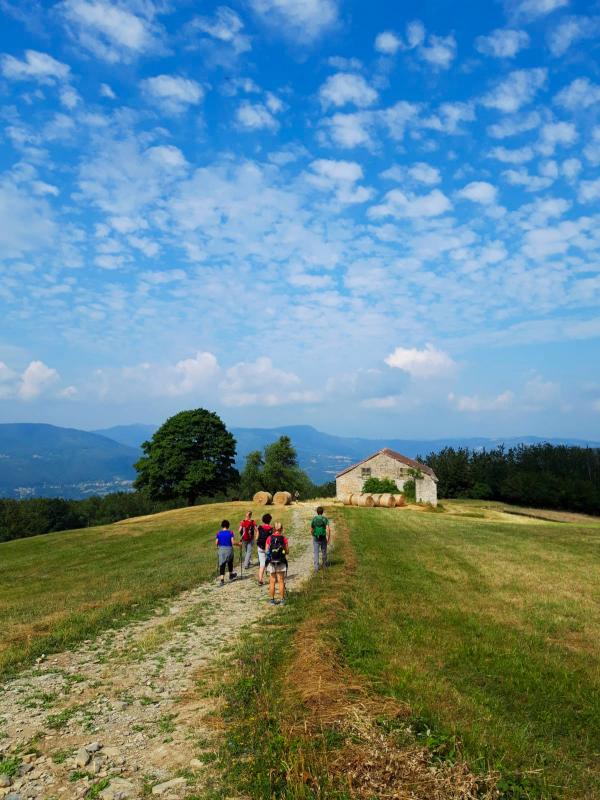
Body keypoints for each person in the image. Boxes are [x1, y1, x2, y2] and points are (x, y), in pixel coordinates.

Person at [265, 521, 288, 605]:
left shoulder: (269, 538)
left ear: (274, 529)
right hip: (281, 561)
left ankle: (272, 600)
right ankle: (282, 600)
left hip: (272, 561)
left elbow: (267, 551)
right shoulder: (283, 538)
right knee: (281, 581)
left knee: (272, 581)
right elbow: (287, 551)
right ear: (281, 529)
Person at [215, 519, 240, 586]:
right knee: (230, 562)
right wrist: (239, 544)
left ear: (222, 526)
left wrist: (218, 546)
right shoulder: (230, 532)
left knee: (222, 564)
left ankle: (222, 580)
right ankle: (231, 575)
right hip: (229, 549)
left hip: (221, 549)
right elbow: (233, 542)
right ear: (228, 526)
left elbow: (216, 542)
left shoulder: (218, 533)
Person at [255, 513, 273, 586]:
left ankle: (260, 579)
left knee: (262, 564)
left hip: (260, 547)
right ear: (270, 520)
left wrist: (256, 532)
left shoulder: (260, 527)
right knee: (270, 563)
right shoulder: (271, 529)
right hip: (268, 548)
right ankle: (272, 579)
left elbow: (256, 539)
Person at [311, 506, 330, 571]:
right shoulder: (325, 519)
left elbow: (311, 529)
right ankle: (324, 565)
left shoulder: (314, 519)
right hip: (323, 537)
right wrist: (329, 538)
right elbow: (328, 529)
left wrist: (313, 535)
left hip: (316, 538)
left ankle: (316, 568)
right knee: (324, 551)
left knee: (316, 553)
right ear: (322, 512)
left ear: (317, 512)